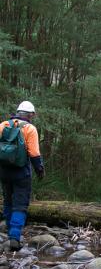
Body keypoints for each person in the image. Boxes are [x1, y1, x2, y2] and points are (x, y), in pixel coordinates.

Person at [0, 101, 44, 251]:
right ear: (30, 115)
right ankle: (14, 237)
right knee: (20, 204)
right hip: (21, 173)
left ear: (17, 112)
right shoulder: (30, 128)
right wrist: (39, 170)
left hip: (4, 171)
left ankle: (8, 230)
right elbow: (34, 154)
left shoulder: (3, 125)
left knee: (7, 200)